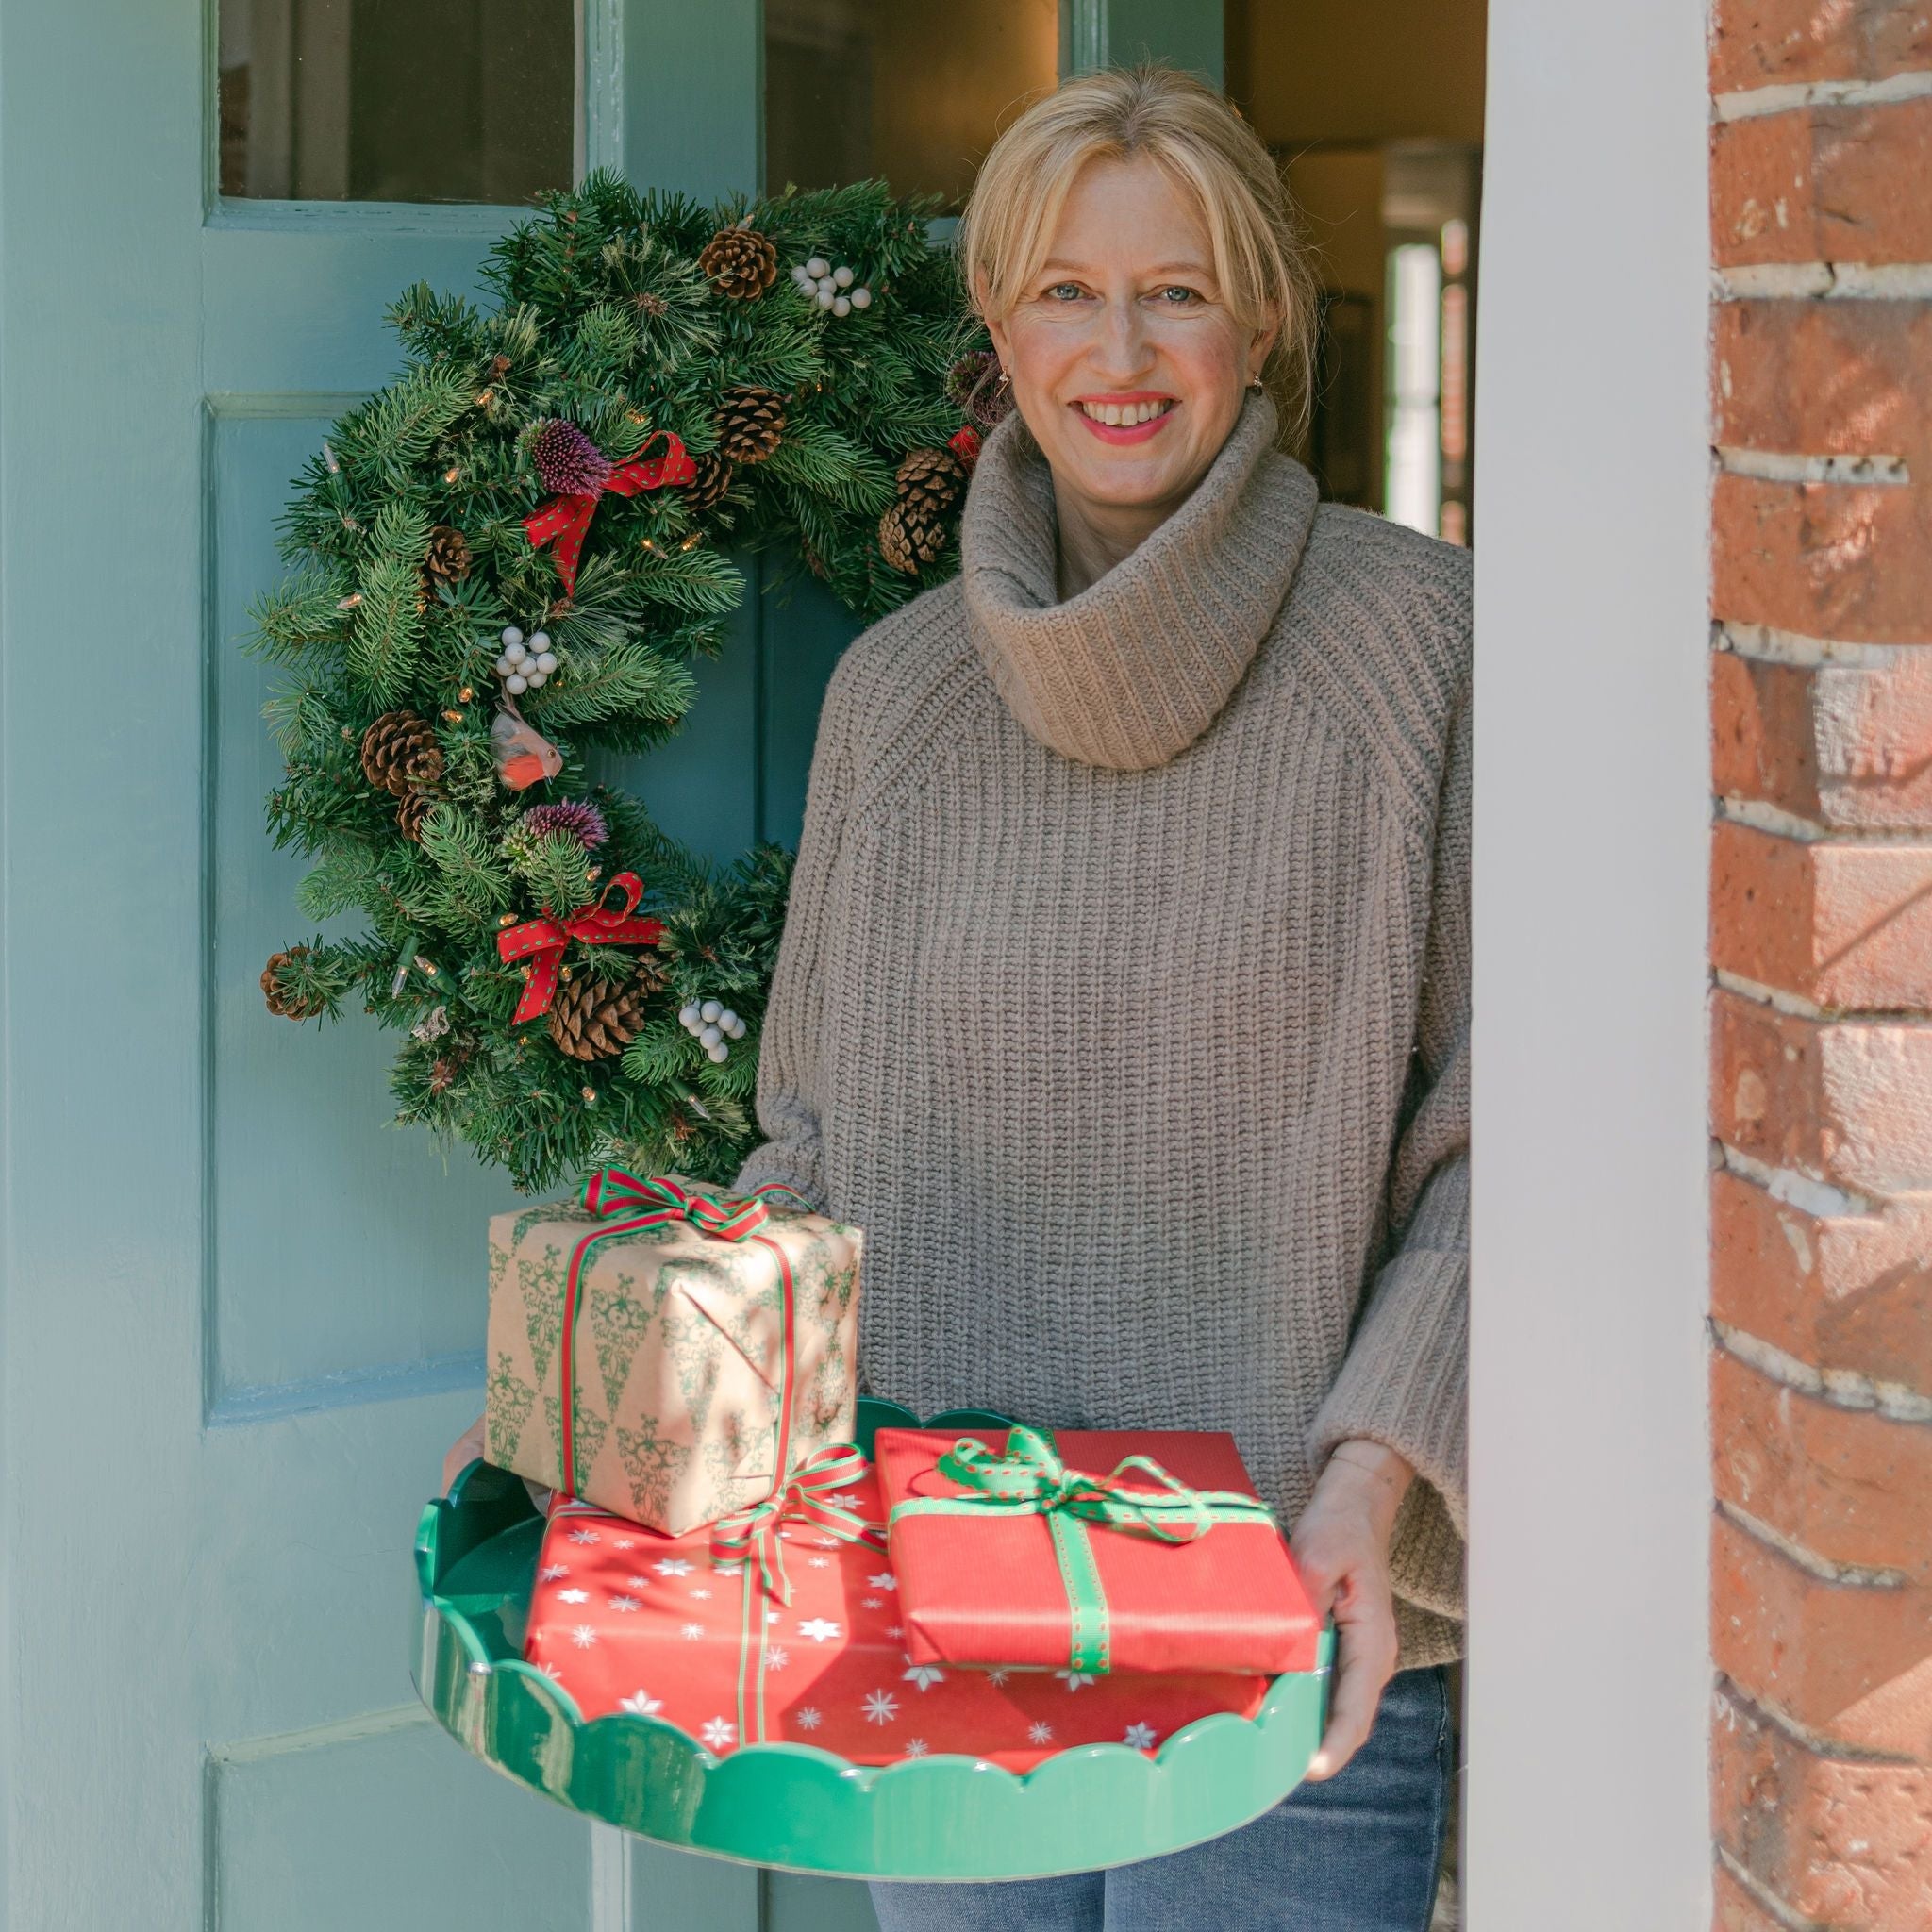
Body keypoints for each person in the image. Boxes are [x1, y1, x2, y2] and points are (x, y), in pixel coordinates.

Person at [734, 64, 1471, 1932]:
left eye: (1176, 288)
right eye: (1064, 287)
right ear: (997, 325)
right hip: (931, 1620)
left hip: (1283, 1637)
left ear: (1260, 322)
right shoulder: (893, 704)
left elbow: (1502, 1138)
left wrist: (1364, 1491)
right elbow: (806, 1144)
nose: (1118, 346)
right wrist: (614, 1416)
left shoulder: (1418, 651)